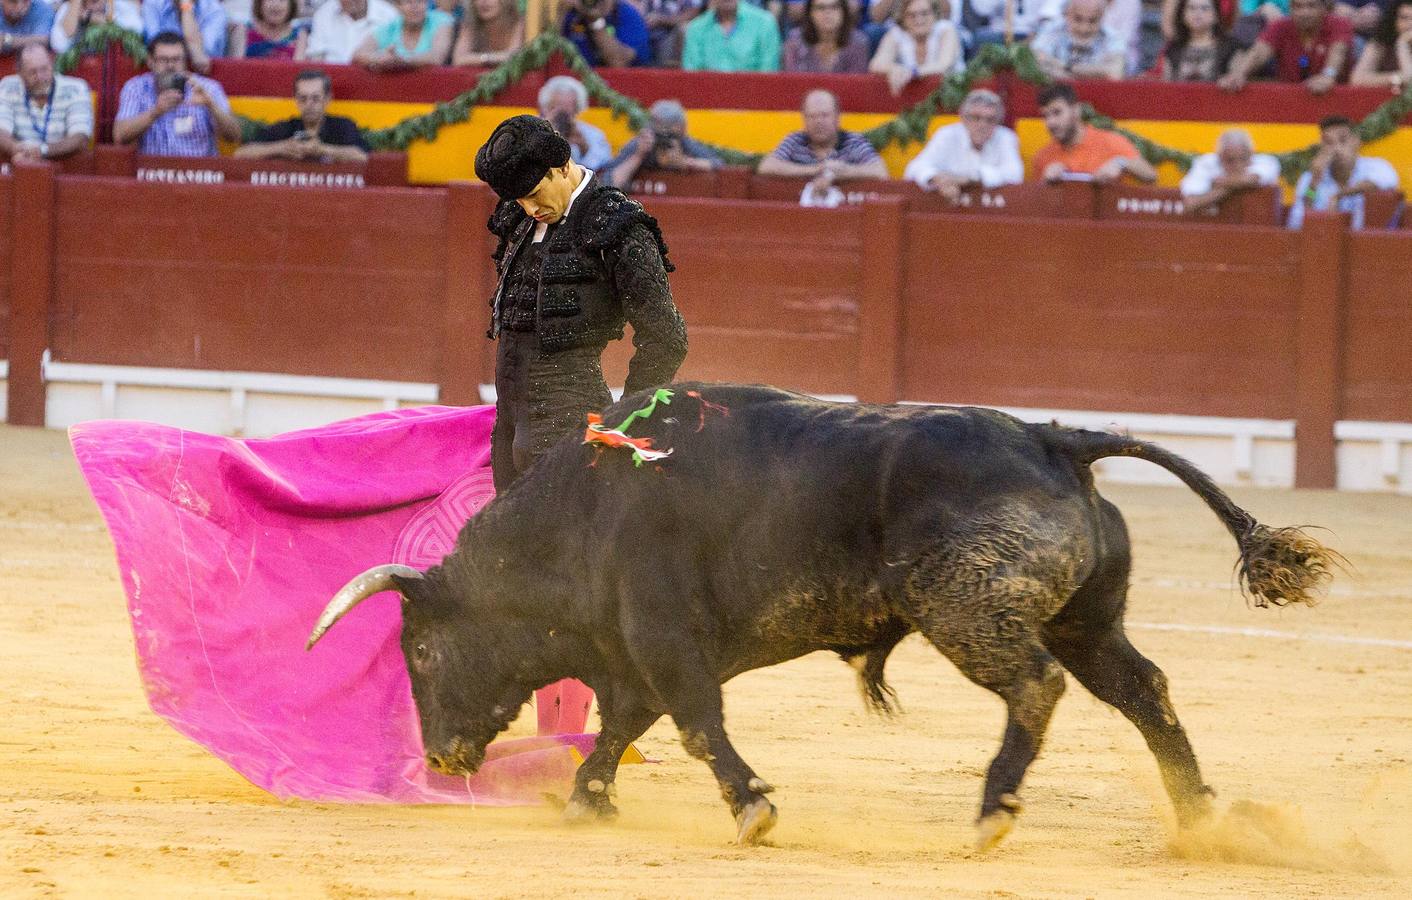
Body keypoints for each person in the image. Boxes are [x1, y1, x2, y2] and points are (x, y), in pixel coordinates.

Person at [472, 113, 688, 490]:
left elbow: (667, 336)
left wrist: (626, 421)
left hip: (571, 435)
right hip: (507, 432)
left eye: (535, 194)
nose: (529, 208)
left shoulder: (617, 224)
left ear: (563, 166)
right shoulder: (516, 220)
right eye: (520, 200)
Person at [113, 30, 241, 156]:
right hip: (151, 172)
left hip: (198, 172)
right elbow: (119, 136)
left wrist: (211, 106)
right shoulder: (136, 88)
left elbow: (234, 136)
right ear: (150, 61)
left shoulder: (207, 88)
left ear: (185, 62)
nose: (170, 66)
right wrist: (155, 112)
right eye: (163, 60)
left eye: (176, 59)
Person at [757, 88, 889, 205]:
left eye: (824, 115)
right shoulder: (795, 141)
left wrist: (840, 173)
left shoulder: (854, 142)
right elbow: (766, 166)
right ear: (804, 119)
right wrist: (816, 169)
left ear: (837, 117)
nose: (818, 122)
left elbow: (880, 171)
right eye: (812, 116)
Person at [902, 88, 1022, 201]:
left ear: (998, 122)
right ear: (963, 119)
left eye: (990, 120)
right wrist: (939, 179)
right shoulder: (947, 135)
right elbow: (914, 168)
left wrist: (969, 179)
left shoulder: (1005, 137)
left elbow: (1015, 174)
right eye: (976, 118)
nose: (982, 125)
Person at [1287, 114, 1401, 229]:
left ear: (1356, 142)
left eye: (1343, 140)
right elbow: (1297, 222)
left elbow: (1385, 181)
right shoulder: (1311, 178)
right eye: (1328, 142)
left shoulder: (1376, 166)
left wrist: (1340, 195)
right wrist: (1313, 184)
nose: (1336, 148)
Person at [1030, 81, 1156, 183]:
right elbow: (1037, 207)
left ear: (1076, 111)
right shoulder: (1043, 157)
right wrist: (1045, 182)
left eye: (1057, 112)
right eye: (1045, 116)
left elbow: (1151, 175)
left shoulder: (1110, 141)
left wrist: (1120, 163)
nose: (1050, 122)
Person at [1218, 0, 1353, 94]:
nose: (1304, 13)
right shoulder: (1281, 26)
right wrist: (1239, 74)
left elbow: (1338, 52)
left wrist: (1328, 76)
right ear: (1290, 8)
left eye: (1311, 6)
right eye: (1298, 7)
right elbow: (1259, 52)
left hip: (1334, 99)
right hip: (1290, 99)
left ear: (1324, 8)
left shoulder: (1339, 24)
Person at [234, 69, 368, 162]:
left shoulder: (342, 126)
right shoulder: (285, 128)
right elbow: (241, 154)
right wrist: (281, 147)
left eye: (315, 98)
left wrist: (323, 150)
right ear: (296, 100)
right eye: (303, 98)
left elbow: (363, 157)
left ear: (327, 99)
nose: (309, 104)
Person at [0, 43, 91, 162]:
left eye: (45, 69)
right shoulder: (8, 86)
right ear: (20, 73)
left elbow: (80, 138)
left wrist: (42, 151)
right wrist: (15, 148)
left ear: (52, 64)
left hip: (62, 168)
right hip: (18, 162)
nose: (40, 77)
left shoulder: (76, 88)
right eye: (32, 72)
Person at [606, 99, 722, 189]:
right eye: (659, 134)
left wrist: (684, 162)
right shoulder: (642, 144)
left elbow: (717, 164)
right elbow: (610, 183)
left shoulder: (684, 142)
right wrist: (638, 156)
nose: (664, 140)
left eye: (669, 134)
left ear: (680, 129)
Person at [868, 0, 962, 94]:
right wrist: (894, 68)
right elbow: (876, 64)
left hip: (951, 94)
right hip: (913, 99)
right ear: (903, 18)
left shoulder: (946, 30)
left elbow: (944, 65)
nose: (918, 20)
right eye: (911, 15)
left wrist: (912, 73)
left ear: (934, 14)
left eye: (924, 13)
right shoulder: (897, 33)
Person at [1178, 128, 1280, 214]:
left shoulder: (1266, 162)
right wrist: (1236, 185)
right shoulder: (1206, 163)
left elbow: (1249, 180)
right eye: (1230, 160)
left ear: (1251, 154)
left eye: (1243, 158)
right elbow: (1191, 204)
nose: (1238, 165)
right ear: (1220, 157)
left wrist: (1222, 185)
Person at [1030, 0, 1127, 81]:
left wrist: (1065, 67)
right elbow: (1037, 63)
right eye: (1078, 19)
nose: (1084, 28)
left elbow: (1115, 73)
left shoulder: (1112, 37)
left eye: (1092, 20)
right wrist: (1094, 73)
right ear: (1067, 14)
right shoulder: (1051, 31)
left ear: (1102, 17)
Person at [538, 75, 612, 171]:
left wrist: (584, 147)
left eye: (568, 108)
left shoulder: (591, 134)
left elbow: (604, 166)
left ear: (577, 109)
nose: (563, 114)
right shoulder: (531, 129)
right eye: (556, 107)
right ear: (545, 108)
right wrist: (545, 133)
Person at [682, 0, 782, 72]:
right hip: (707, 98)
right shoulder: (696, 28)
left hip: (753, 97)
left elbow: (768, 75)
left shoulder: (765, 24)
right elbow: (691, 76)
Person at [352, 0, 453, 69]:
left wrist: (404, 61)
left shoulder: (441, 20)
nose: (415, 7)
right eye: (408, 2)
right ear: (397, 6)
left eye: (420, 1)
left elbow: (437, 57)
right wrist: (380, 59)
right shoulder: (391, 27)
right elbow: (358, 54)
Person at [783, 0, 872, 73]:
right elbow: (792, 82)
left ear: (844, 12)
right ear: (810, 13)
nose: (827, 12)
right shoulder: (795, 41)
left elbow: (857, 87)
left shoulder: (858, 42)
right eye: (821, 8)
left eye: (834, 7)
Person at [1161, 0, 1240, 80]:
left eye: (1205, 8)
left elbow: (1236, 81)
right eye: (1191, 8)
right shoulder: (1174, 48)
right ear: (1183, 15)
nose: (1197, 14)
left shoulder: (1230, 48)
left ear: (1216, 15)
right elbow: (1166, 85)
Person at [141, 0, 228, 71]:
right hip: (161, 75)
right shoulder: (152, 4)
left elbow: (203, 53)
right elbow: (156, 47)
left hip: (203, 77)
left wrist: (186, 7)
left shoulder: (214, 9)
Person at [561, 0, 651, 67]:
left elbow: (618, 62)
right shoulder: (571, 13)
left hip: (623, 84)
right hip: (574, 82)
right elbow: (550, 46)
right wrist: (561, 10)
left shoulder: (627, 14)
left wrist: (595, 21)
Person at [307, 0, 397, 64]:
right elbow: (316, 57)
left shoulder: (389, 15)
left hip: (373, 81)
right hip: (331, 82)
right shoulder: (324, 13)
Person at [1350, 0, 1412, 91]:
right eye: (1404, 18)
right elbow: (1357, 79)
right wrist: (1398, 78)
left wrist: (1402, 45)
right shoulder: (1381, 41)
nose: (1410, 24)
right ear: (1393, 20)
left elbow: (1410, 80)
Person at [50, 0, 142, 55]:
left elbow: (138, 30)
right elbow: (59, 45)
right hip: (83, 75)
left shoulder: (118, 5)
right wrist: (76, 8)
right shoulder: (68, 9)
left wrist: (91, 18)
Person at [451, 0, 523, 67]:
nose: (483, 2)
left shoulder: (519, 23)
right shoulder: (470, 24)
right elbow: (458, 59)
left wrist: (474, 59)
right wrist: (489, 58)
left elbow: (513, 58)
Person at [231, 0, 308, 59]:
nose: (275, 5)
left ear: (291, 4)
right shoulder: (243, 31)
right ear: (260, 3)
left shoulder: (300, 36)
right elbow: (235, 69)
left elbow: (297, 71)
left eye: (282, 0)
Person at [638, 0, 702, 67]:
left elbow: (694, 13)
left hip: (672, 32)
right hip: (646, 30)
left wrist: (664, 20)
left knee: (684, 29)